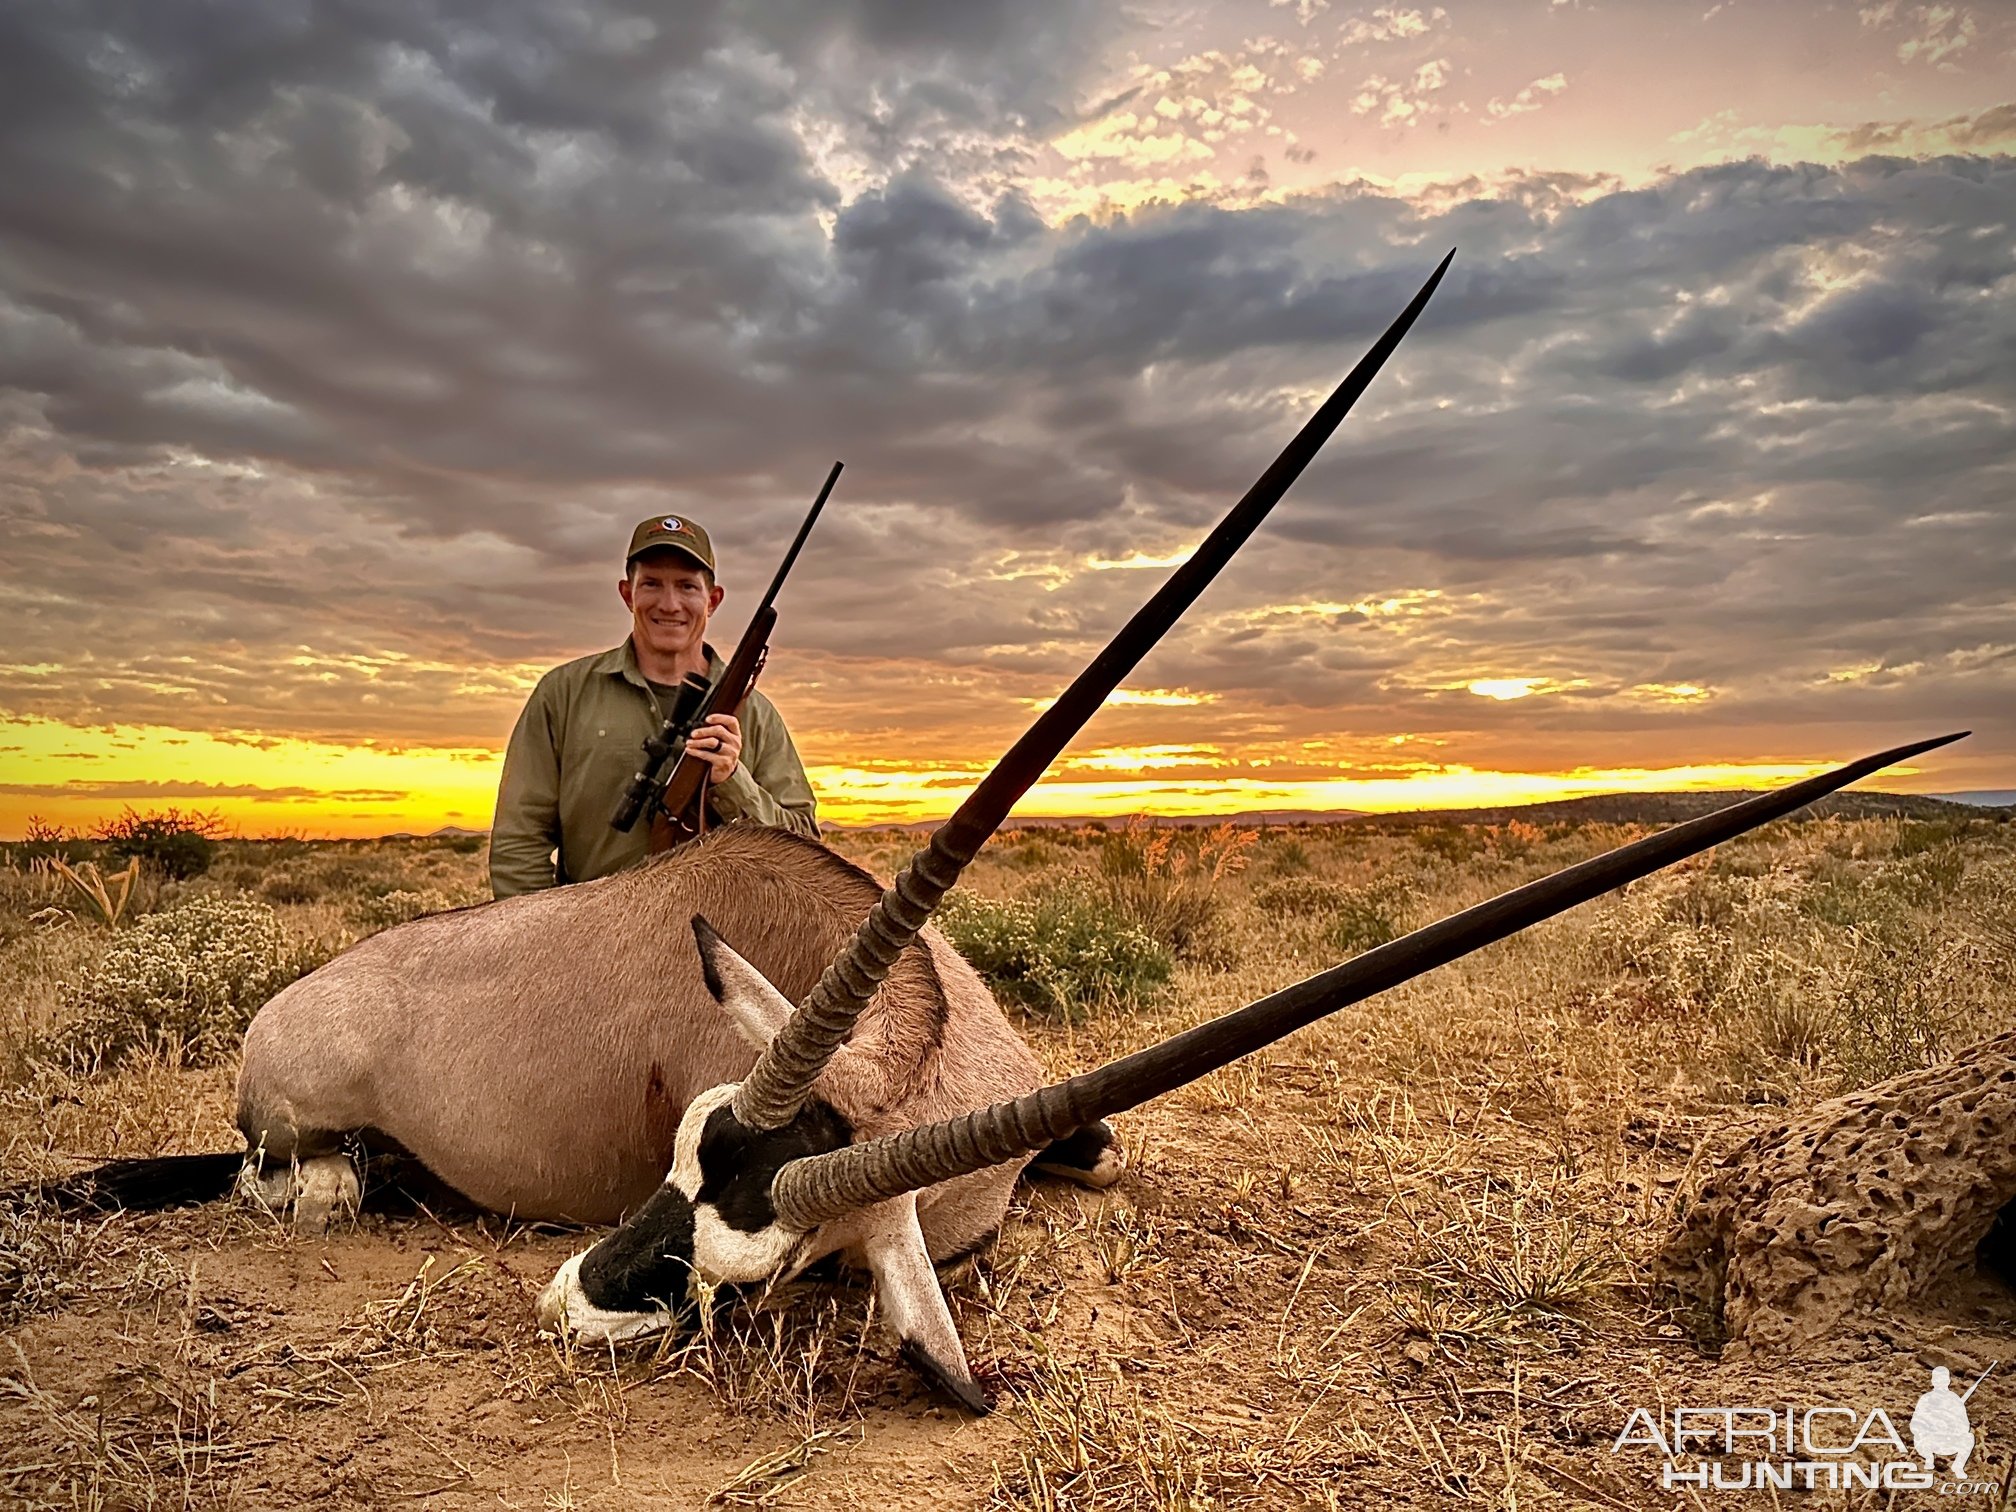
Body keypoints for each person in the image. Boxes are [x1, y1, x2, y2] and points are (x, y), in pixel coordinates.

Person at [489, 513, 820, 898]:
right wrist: (542, 944)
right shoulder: (562, 694)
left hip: (719, 946)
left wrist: (732, 781)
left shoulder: (756, 715)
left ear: (712, 600)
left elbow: (807, 852)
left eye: (686, 587)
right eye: (652, 584)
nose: (670, 603)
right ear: (627, 593)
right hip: (589, 939)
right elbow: (518, 844)